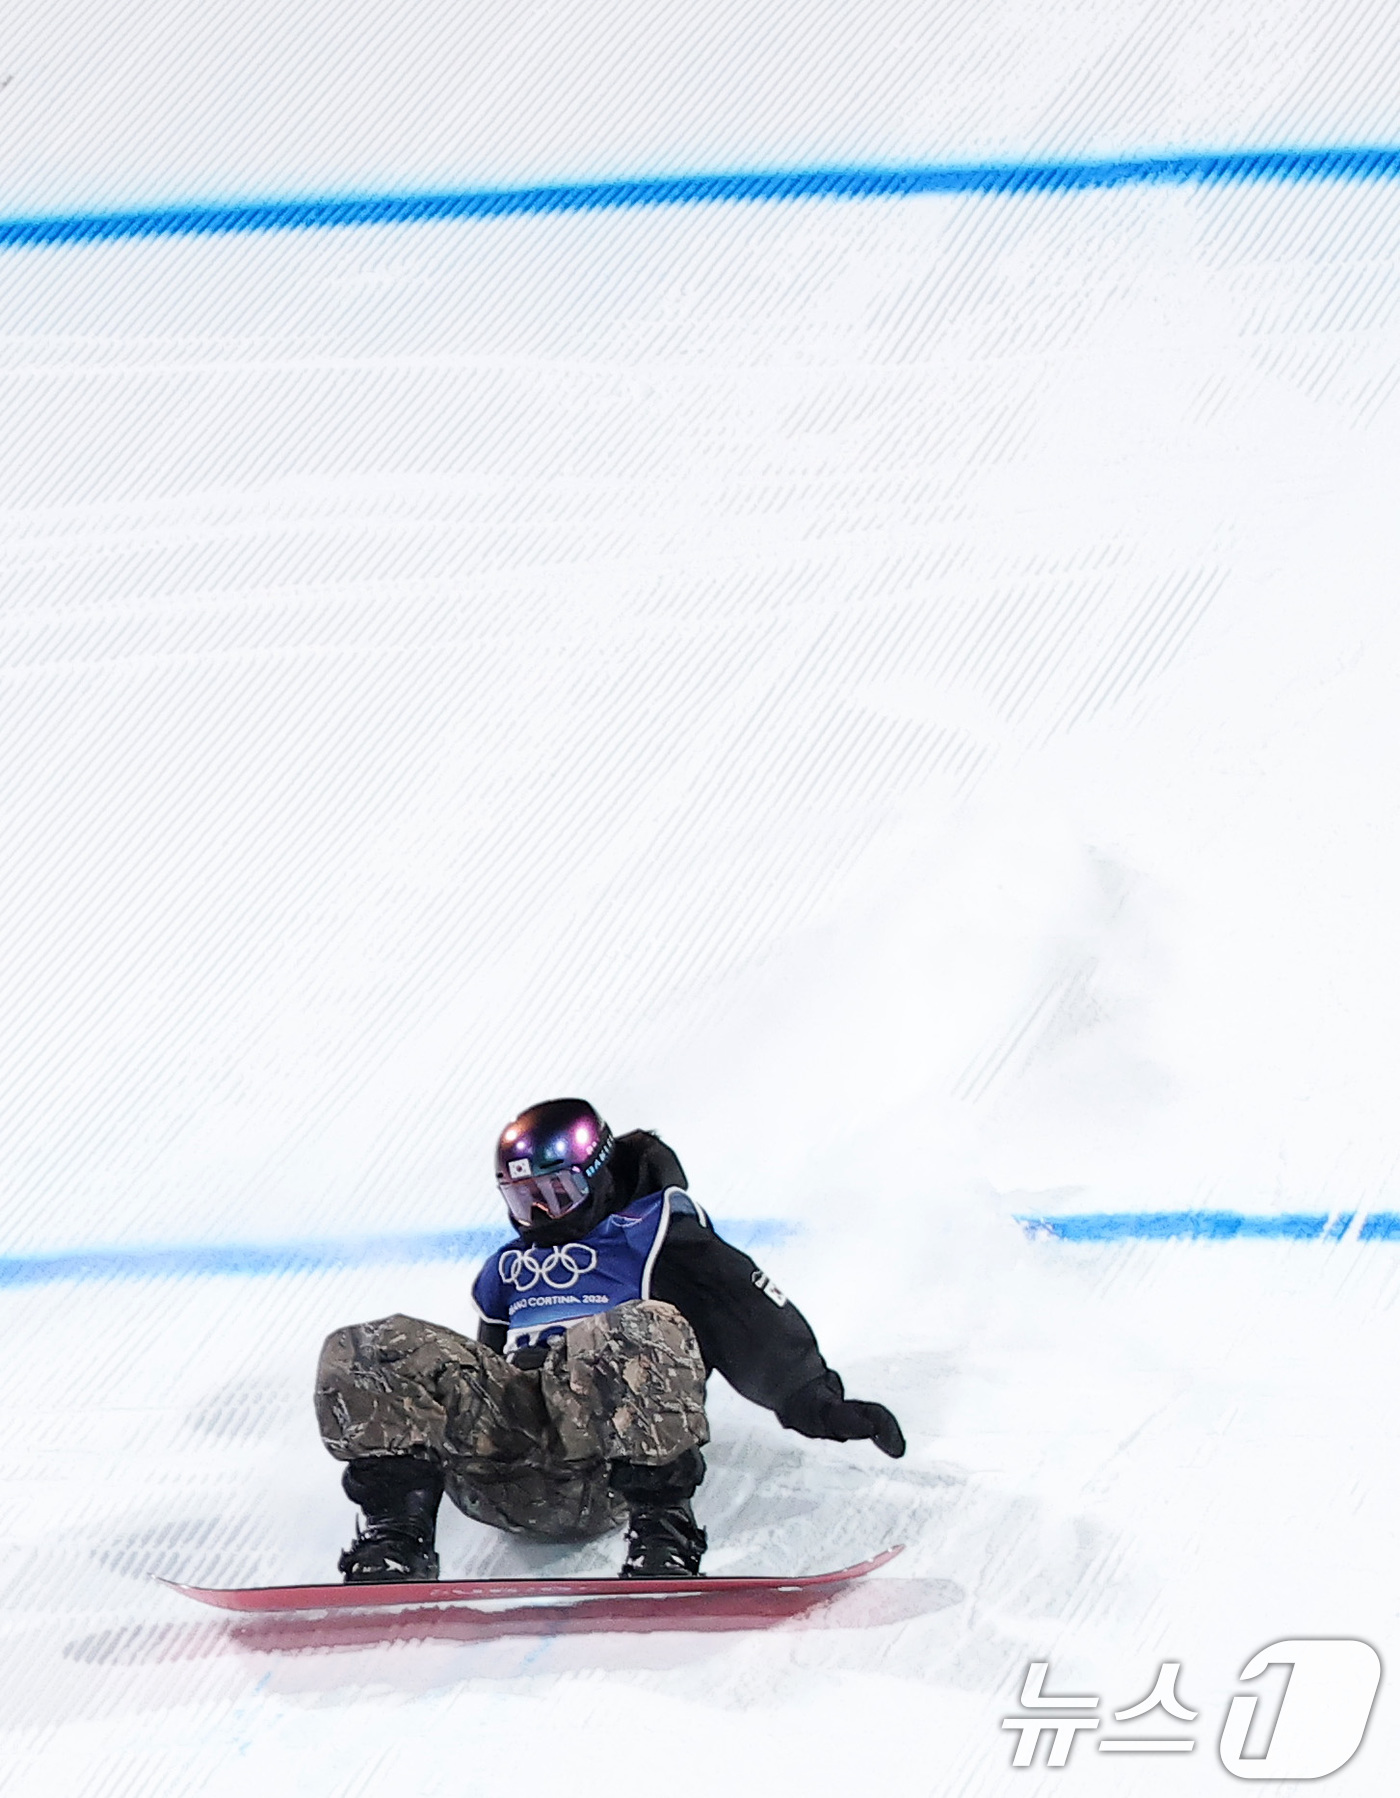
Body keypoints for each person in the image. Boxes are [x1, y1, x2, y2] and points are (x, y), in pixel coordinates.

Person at [315, 1098, 905, 1582]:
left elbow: (750, 1319)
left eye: (558, 1193)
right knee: (369, 1345)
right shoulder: (507, 1268)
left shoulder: (654, 1237)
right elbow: (471, 1374)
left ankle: (663, 1536)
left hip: (606, 1467)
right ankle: (396, 1542)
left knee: (636, 1327)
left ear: (598, 1176)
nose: (542, 1215)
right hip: (506, 1476)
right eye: (524, 1200)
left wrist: (817, 1402)